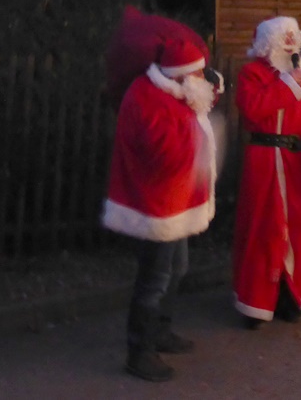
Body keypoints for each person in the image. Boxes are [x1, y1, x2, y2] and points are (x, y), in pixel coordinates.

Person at [101, 36, 220, 383]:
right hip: (155, 204)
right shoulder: (147, 97)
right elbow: (161, 153)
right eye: (195, 73)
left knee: (177, 267)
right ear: (177, 73)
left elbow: (193, 111)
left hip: (175, 201)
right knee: (154, 277)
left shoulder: (173, 91)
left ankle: (161, 331)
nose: (200, 78)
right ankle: (139, 352)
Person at [232, 16, 301, 330]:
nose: (289, 45)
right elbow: (254, 108)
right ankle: (256, 302)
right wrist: (288, 84)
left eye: (293, 39)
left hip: (296, 164)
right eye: (282, 39)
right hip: (264, 162)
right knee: (262, 230)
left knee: (297, 233)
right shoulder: (251, 74)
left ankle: (289, 297)